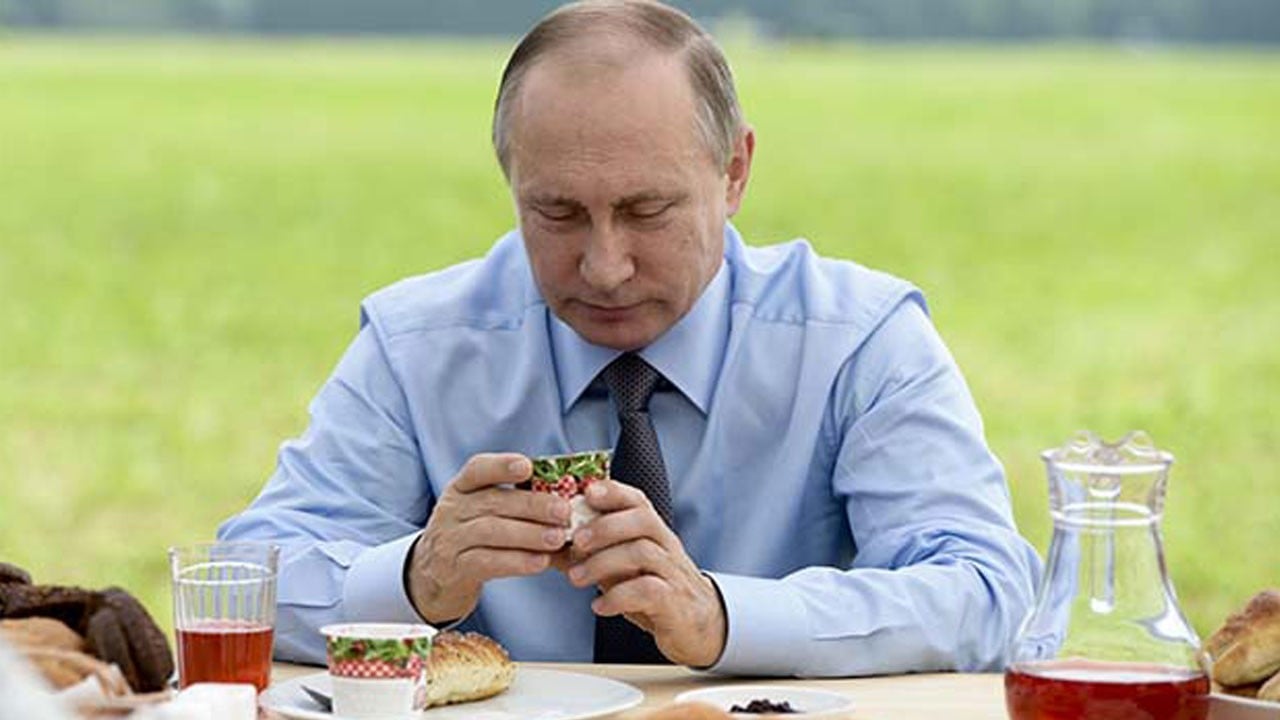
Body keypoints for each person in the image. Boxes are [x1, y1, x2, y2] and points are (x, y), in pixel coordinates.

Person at [219, 0, 1041, 676]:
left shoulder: (856, 342)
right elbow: (241, 585)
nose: (604, 267)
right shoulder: (418, 346)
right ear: (510, 181)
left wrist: (722, 617)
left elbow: (989, 593)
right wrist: (414, 577)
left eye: (647, 210)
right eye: (557, 213)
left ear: (735, 172)